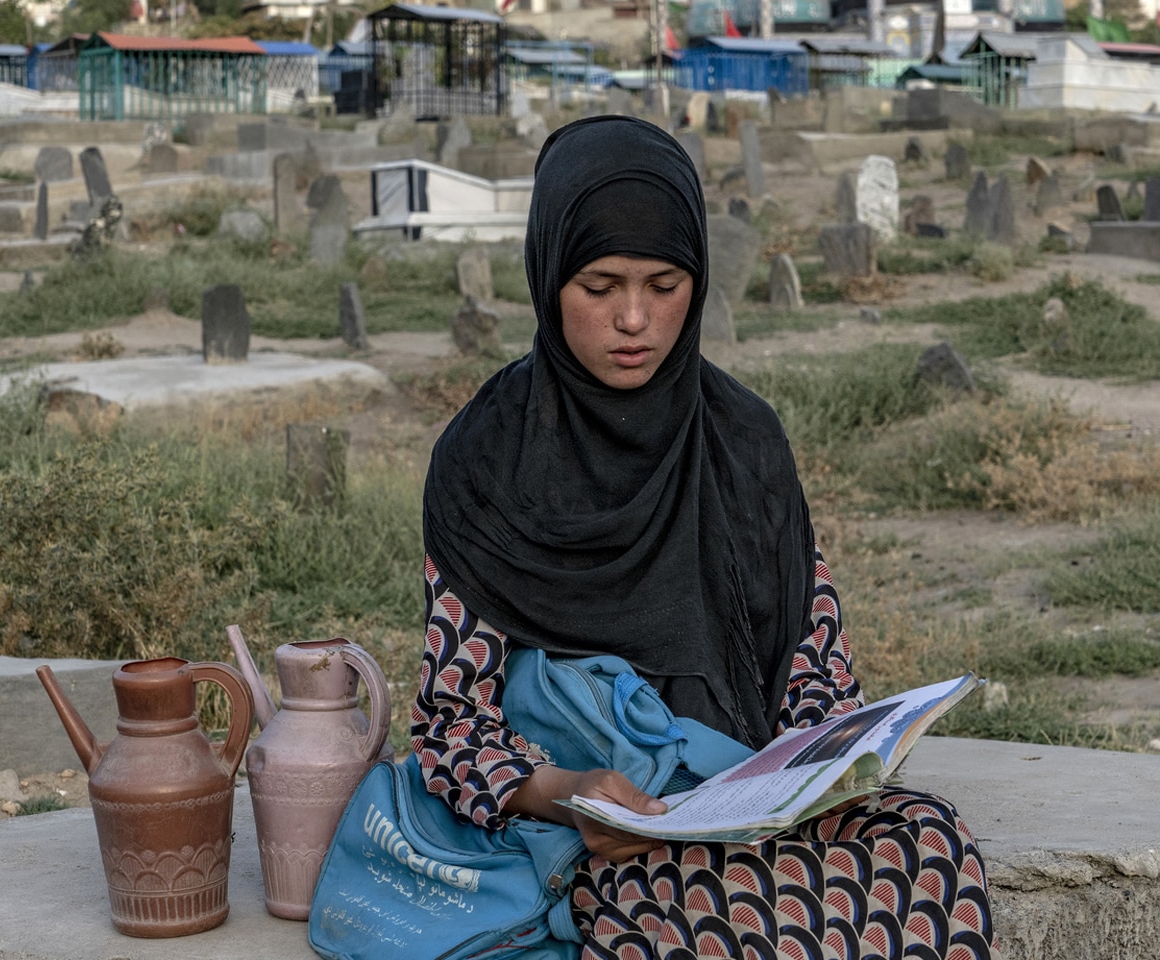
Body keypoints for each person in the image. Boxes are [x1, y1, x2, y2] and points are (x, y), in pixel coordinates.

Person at [413, 115, 993, 960]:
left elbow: (814, 659)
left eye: (666, 282)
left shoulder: (743, 439)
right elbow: (451, 721)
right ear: (546, 276)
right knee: (705, 905)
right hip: (596, 825)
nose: (636, 320)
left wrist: (819, 769)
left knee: (927, 843)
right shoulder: (485, 463)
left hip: (751, 800)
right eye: (600, 285)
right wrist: (570, 792)